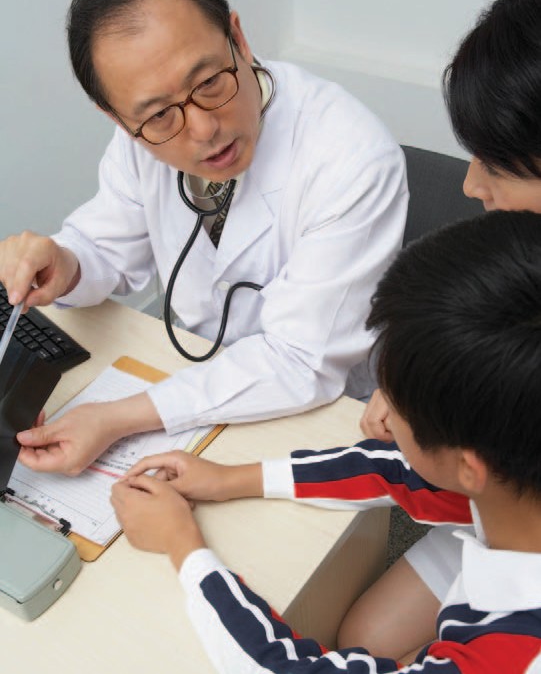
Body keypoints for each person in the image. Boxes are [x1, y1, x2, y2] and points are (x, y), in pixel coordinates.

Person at [111, 210, 541, 672]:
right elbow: (398, 470)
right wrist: (231, 479)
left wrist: (183, 545)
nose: (381, 416)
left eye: (398, 409)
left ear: (469, 469)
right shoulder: (512, 464)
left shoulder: (512, 653)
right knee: (366, 635)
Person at [0, 0, 407, 477]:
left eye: (211, 82)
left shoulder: (352, 158)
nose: (202, 129)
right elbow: (108, 244)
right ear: (116, 118)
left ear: (238, 38)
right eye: (158, 116)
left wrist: (117, 418)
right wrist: (66, 263)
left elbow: (302, 360)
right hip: (192, 381)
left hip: (319, 410)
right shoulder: (142, 135)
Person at [353, 0, 541, 659]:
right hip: (498, 499)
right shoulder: (517, 251)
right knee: (367, 635)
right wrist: (424, 381)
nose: (469, 184)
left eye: (493, 161)